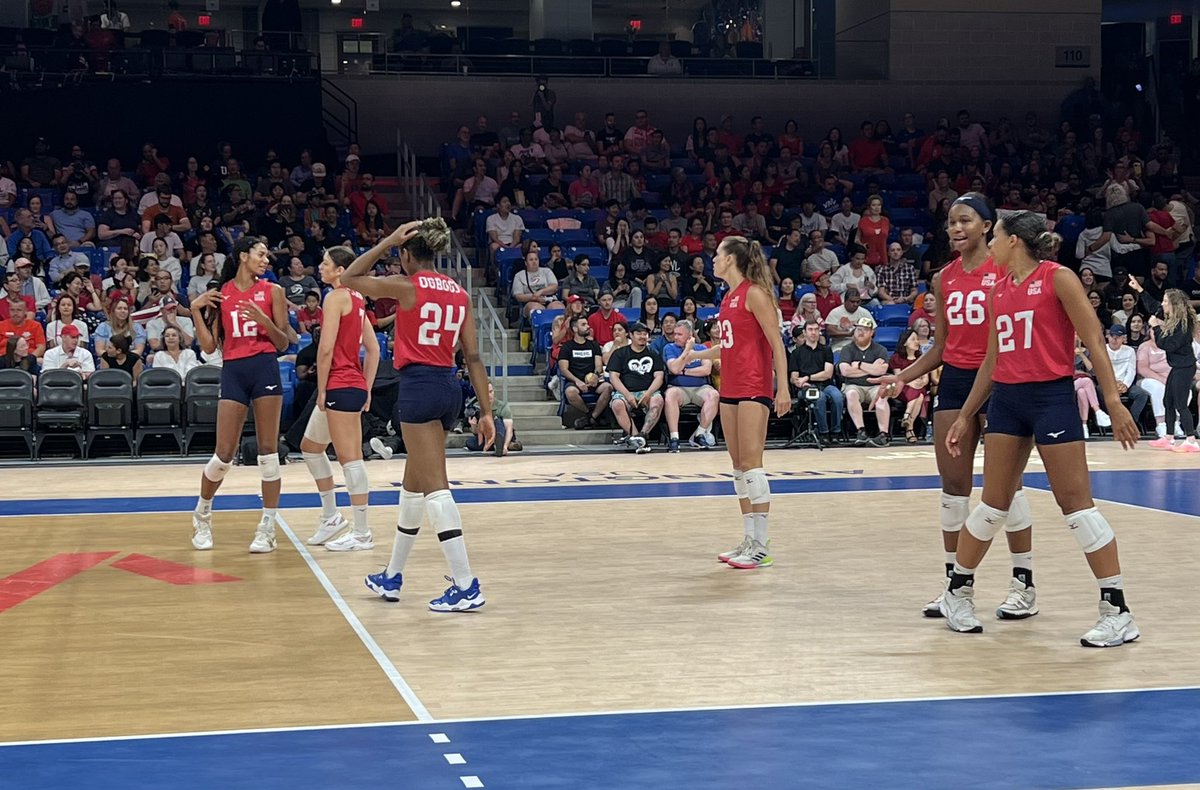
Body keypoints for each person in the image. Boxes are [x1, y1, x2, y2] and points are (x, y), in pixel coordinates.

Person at [942, 211, 1140, 647]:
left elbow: (1094, 340)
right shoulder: (998, 290)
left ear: (1014, 241)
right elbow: (991, 362)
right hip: (1008, 401)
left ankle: (1117, 611)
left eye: (995, 236)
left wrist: (1112, 400)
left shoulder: (1059, 278)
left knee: (1077, 508)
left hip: (1051, 397)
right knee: (993, 504)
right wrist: (964, 413)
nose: (989, 244)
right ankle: (957, 593)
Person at [874, 194, 1038, 620]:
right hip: (958, 379)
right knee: (953, 489)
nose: (956, 229)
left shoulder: (1005, 269)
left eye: (965, 220)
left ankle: (1023, 583)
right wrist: (902, 377)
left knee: (1008, 489)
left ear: (988, 226)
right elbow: (943, 347)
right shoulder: (944, 277)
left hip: (1002, 378)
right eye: (950, 222)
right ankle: (954, 586)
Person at [343, 219, 493, 613]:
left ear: (407, 255)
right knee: (412, 487)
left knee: (436, 490)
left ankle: (466, 584)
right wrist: (487, 411)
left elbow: (349, 276)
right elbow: (474, 356)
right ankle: (392, 575)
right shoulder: (459, 293)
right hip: (449, 387)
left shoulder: (407, 286)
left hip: (418, 387)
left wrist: (386, 241)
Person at [683, 235, 789, 570]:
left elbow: (776, 344)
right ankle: (748, 538)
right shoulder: (728, 297)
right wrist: (696, 353)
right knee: (739, 467)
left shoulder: (756, 294)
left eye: (717, 255)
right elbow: (729, 345)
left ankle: (762, 544)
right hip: (729, 385)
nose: (713, 259)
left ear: (731, 259)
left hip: (754, 386)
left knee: (753, 465)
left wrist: (782, 388)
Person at [189, 237, 292, 553]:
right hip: (233, 370)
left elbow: (284, 343)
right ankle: (202, 514)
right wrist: (195, 309)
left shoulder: (273, 291)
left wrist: (264, 321)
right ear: (243, 256)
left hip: (265, 368)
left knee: (268, 452)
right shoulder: (223, 294)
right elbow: (209, 347)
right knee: (223, 454)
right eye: (261, 254)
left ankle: (267, 526)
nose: (266, 259)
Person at [300, 247, 381, 552]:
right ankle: (332, 517)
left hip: (338, 385)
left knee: (350, 460)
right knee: (310, 448)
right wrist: (368, 387)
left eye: (326, 263)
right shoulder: (359, 300)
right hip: (352, 385)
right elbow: (373, 350)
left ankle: (361, 532)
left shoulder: (335, 298)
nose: (320, 267)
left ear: (341, 270)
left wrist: (321, 390)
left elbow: (325, 349)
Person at [1142, 288, 1199, 452]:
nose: (1162, 304)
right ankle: (1169, 437)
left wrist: (1156, 327)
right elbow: (1154, 306)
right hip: (1177, 367)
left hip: (1185, 368)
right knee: (1168, 402)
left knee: (1181, 404)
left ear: (1174, 304)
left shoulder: (1183, 324)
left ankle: (1191, 440)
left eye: (1166, 301)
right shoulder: (1174, 319)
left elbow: (1167, 345)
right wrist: (1140, 290)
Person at [662, 319, 719, 451]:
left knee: (714, 394)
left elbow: (706, 370)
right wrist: (687, 350)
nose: (675, 337)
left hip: (700, 388)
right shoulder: (669, 348)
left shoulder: (702, 349)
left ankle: (699, 434)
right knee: (670, 395)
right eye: (675, 334)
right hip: (679, 388)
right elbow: (674, 369)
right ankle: (674, 437)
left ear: (690, 335)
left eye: (679, 334)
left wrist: (685, 371)